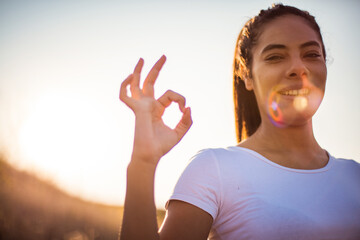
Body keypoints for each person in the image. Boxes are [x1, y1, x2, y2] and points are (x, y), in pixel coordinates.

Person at [119, 4, 360, 240]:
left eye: (311, 54)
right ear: (247, 75)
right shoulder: (215, 170)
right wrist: (143, 161)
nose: (299, 68)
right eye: (275, 57)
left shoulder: (354, 176)